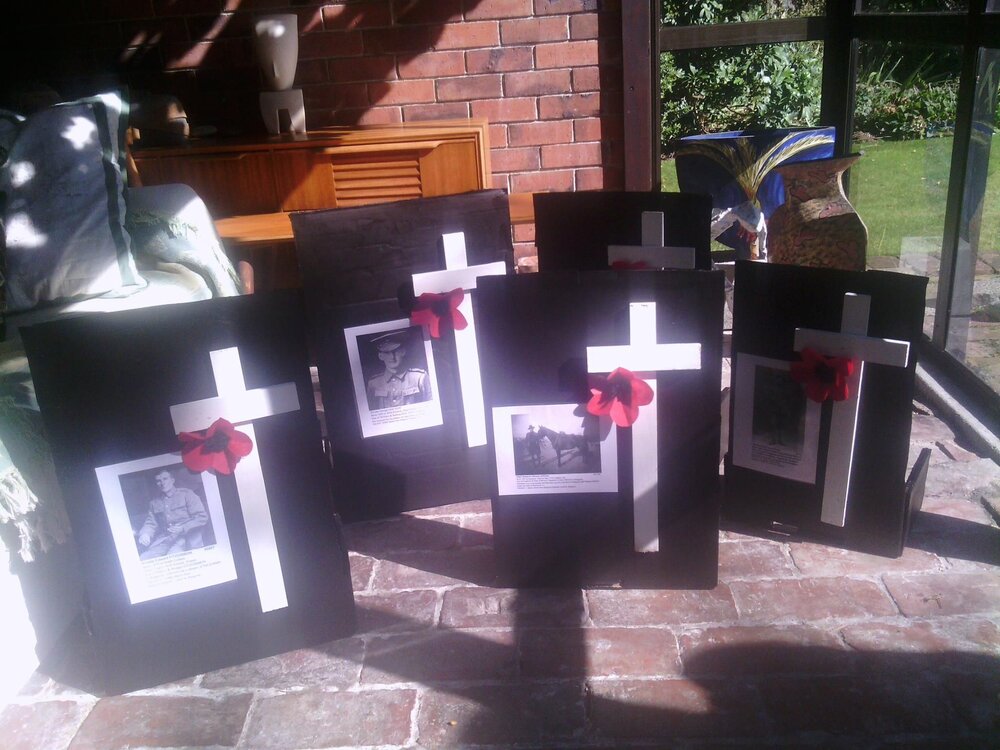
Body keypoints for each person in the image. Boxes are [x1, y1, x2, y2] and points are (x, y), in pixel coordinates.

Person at [136, 469, 208, 560]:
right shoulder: (154, 502)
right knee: (144, 558)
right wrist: (145, 534)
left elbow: (202, 517)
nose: (162, 483)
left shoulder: (187, 494)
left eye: (165, 479)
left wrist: (183, 528)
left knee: (172, 557)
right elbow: (150, 523)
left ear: (172, 480)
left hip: (187, 538)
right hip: (166, 539)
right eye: (158, 481)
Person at [366, 329, 431, 410]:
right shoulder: (373, 383)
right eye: (387, 353)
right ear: (380, 356)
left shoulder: (419, 378)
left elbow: (430, 409)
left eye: (395, 352)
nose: (392, 357)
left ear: (403, 352)